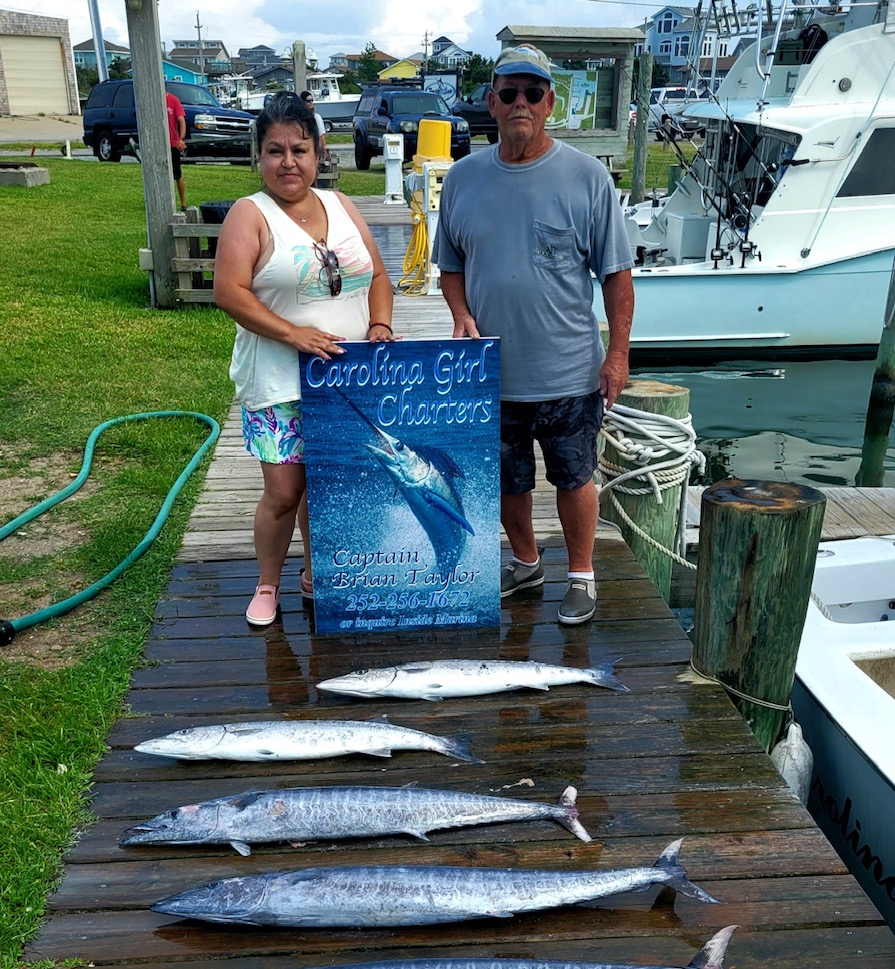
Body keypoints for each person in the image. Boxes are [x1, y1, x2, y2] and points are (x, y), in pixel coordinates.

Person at [434, 44, 634, 626]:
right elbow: (450, 264)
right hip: (489, 371)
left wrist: (616, 356)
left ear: (550, 103)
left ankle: (581, 575)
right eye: (509, 92)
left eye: (533, 92)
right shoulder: (463, 179)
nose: (520, 102)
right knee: (507, 479)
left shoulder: (588, 176)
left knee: (575, 476)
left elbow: (617, 279)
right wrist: (460, 312)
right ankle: (525, 563)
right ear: (491, 102)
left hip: (568, 369)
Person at [213, 92, 395, 626]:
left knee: (331, 482)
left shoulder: (341, 205)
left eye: (299, 149)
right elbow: (230, 292)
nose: (287, 162)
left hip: (346, 377)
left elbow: (378, 277)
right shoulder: (251, 214)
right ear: (259, 157)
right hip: (279, 380)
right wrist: (293, 333)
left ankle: (320, 573)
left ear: (318, 153)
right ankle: (268, 584)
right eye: (275, 151)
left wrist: (380, 323)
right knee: (285, 491)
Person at [165, 90, 187, 209]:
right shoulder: (154, 101)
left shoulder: (173, 100)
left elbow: (181, 121)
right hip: (160, 143)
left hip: (172, 143)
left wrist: (181, 138)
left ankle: (183, 203)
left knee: (177, 174)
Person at [300, 90, 329, 170]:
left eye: (312, 100)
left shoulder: (317, 117)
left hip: (315, 152)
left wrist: (324, 152)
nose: (311, 102)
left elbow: (321, 136)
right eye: (308, 101)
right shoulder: (298, 119)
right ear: (303, 102)